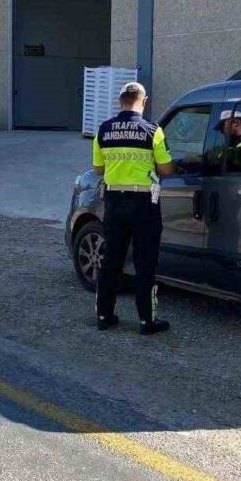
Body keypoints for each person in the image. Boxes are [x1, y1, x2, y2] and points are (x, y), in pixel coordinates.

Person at [92, 81, 175, 335]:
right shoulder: (153, 130)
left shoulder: (104, 130)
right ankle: (146, 321)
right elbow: (166, 169)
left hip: (114, 202)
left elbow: (98, 169)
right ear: (144, 100)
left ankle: (104, 316)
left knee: (111, 261)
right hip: (143, 204)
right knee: (145, 262)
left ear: (120, 102)